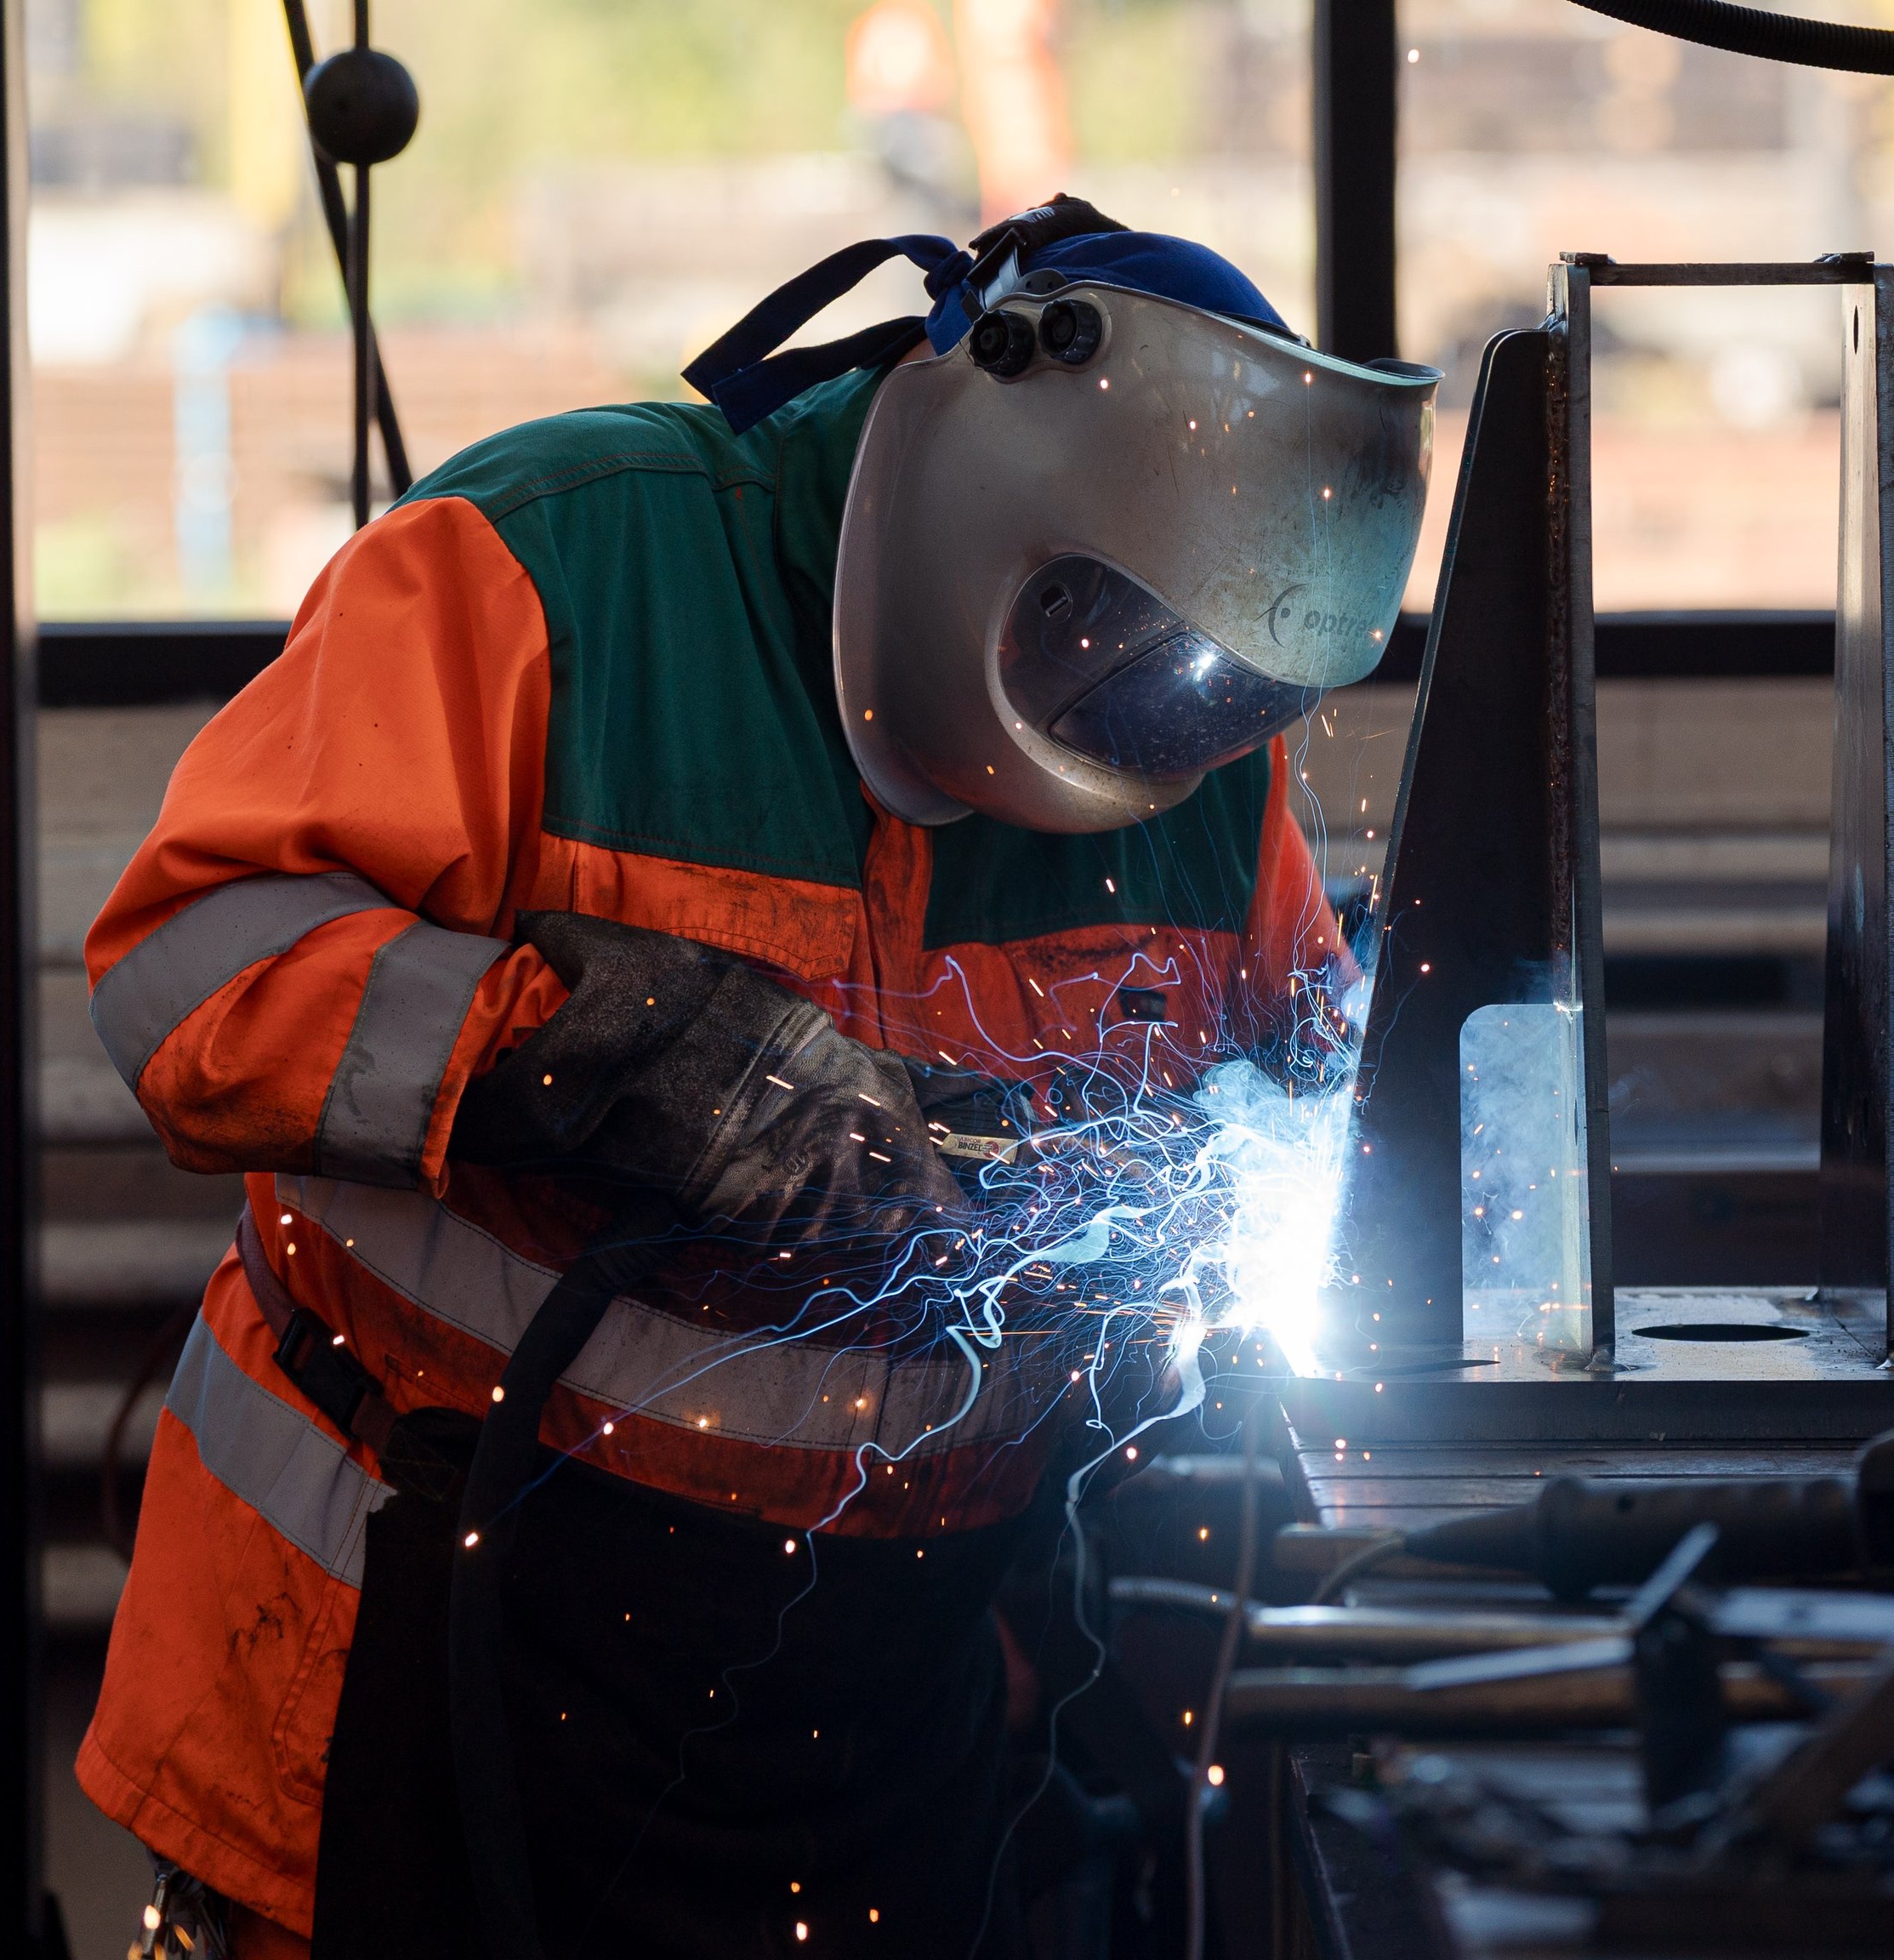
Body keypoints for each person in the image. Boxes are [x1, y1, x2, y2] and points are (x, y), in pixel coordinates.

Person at [78, 197, 1433, 1960]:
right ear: (974, 504)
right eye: (1097, 649)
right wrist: (575, 1046)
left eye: (1194, 700)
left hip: (879, 1693)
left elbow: (1317, 1115)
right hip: (420, 1632)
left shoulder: (1189, 773)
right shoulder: (545, 567)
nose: (1135, 721)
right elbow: (180, 973)